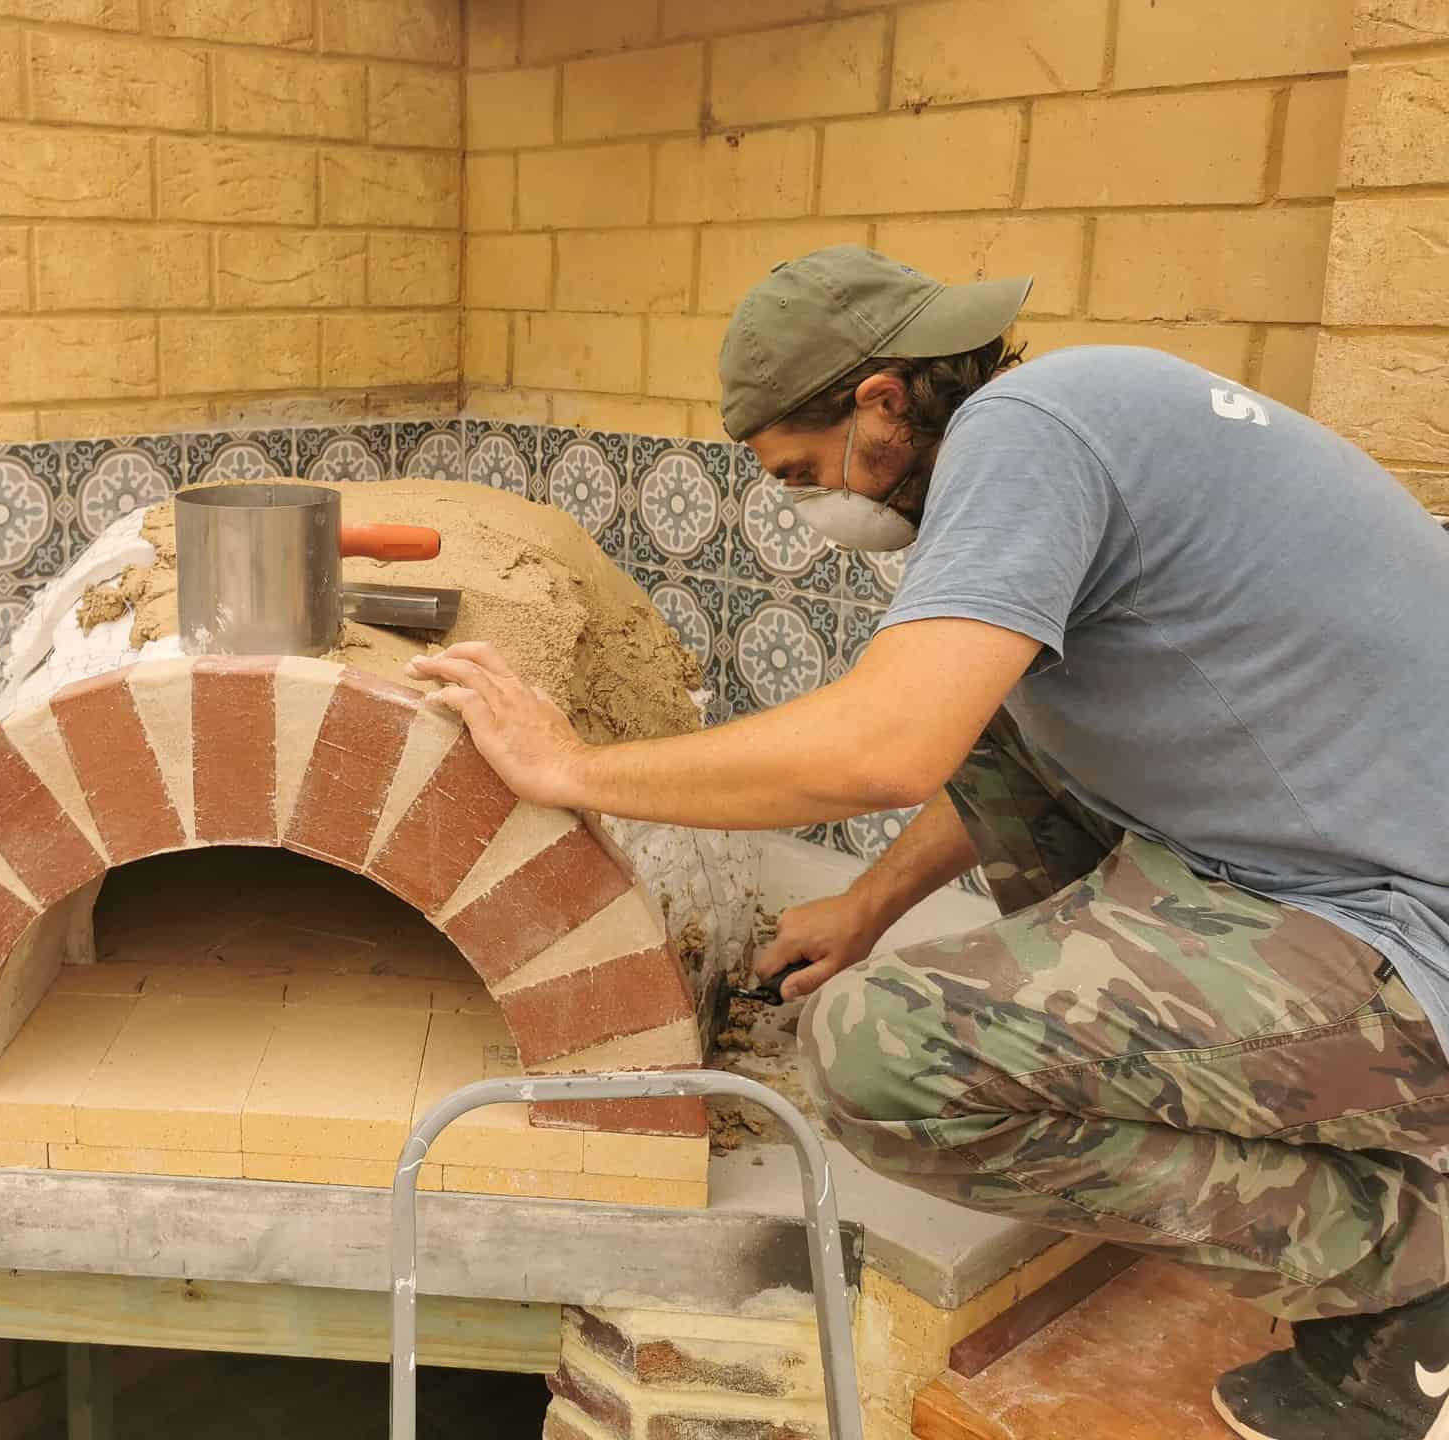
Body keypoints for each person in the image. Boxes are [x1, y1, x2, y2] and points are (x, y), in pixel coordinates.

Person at [408, 246, 1449, 1440]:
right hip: (1329, 871)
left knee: (881, 1054)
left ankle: (1403, 1271)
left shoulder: (1025, 434)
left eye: (802, 473)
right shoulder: (1082, 408)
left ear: (884, 402)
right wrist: (868, 906)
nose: (808, 506)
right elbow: (963, 739)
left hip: (1404, 951)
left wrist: (572, 769)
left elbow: (886, 745)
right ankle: (1212, 1087)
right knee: (991, 715)